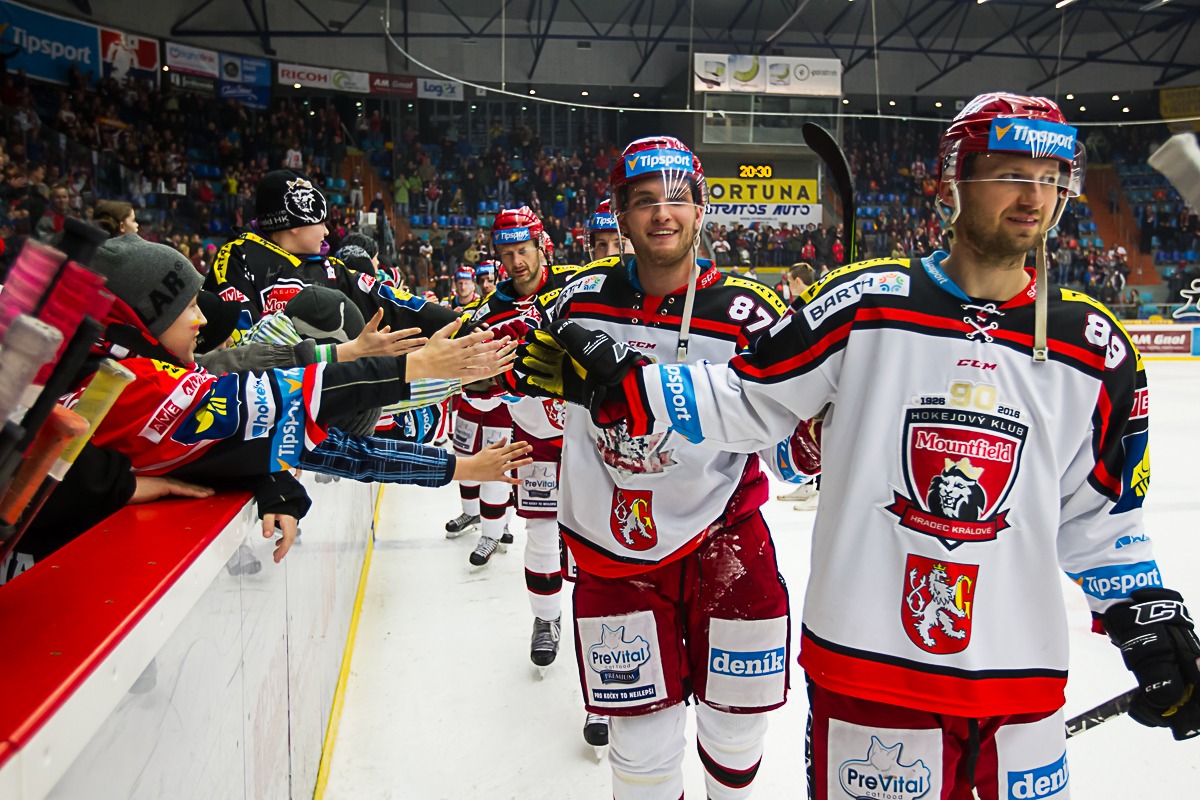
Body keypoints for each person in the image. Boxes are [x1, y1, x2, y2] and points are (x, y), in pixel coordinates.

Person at [522, 95, 1200, 797]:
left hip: (1020, 680)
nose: (1034, 196)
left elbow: (1102, 518)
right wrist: (629, 388)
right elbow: (747, 401)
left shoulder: (1096, 347)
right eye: (1008, 173)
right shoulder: (863, 303)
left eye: (1050, 177)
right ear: (951, 182)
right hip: (867, 667)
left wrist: (1146, 614)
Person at [516, 138, 821, 799]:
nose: (663, 213)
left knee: (736, 734)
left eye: (678, 198)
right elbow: (529, 404)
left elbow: (788, 456)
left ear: (700, 210)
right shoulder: (574, 302)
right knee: (640, 750)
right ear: (620, 215)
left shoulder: (751, 314)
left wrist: (812, 443)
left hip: (726, 543)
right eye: (645, 200)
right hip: (612, 555)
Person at [78, 235, 529, 564]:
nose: (202, 320)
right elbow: (291, 394)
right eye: (188, 307)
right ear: (147, 316)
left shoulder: (129, 370)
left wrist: (270, 478)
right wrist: (415, 369)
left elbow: (314, 429)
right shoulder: (136, 385)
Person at [458, 209, 578, 679]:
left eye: (523, 250)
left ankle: (604, 619)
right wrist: (486, 383)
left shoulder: (578, 285)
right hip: (537, 437)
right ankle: (546, 620)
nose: (516, 262)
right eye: (506, 254)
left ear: (541, 244)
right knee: (541, 531)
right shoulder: (488, 314)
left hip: (592, 436)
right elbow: (473, 385)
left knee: (601, 535)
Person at [205, 169, 457, 342]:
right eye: (321, 222)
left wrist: (460, 324)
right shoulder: (238, 257)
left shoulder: (329, 267)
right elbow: (240, 340)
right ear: (295, 223)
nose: (327, 231)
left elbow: (391, 301)